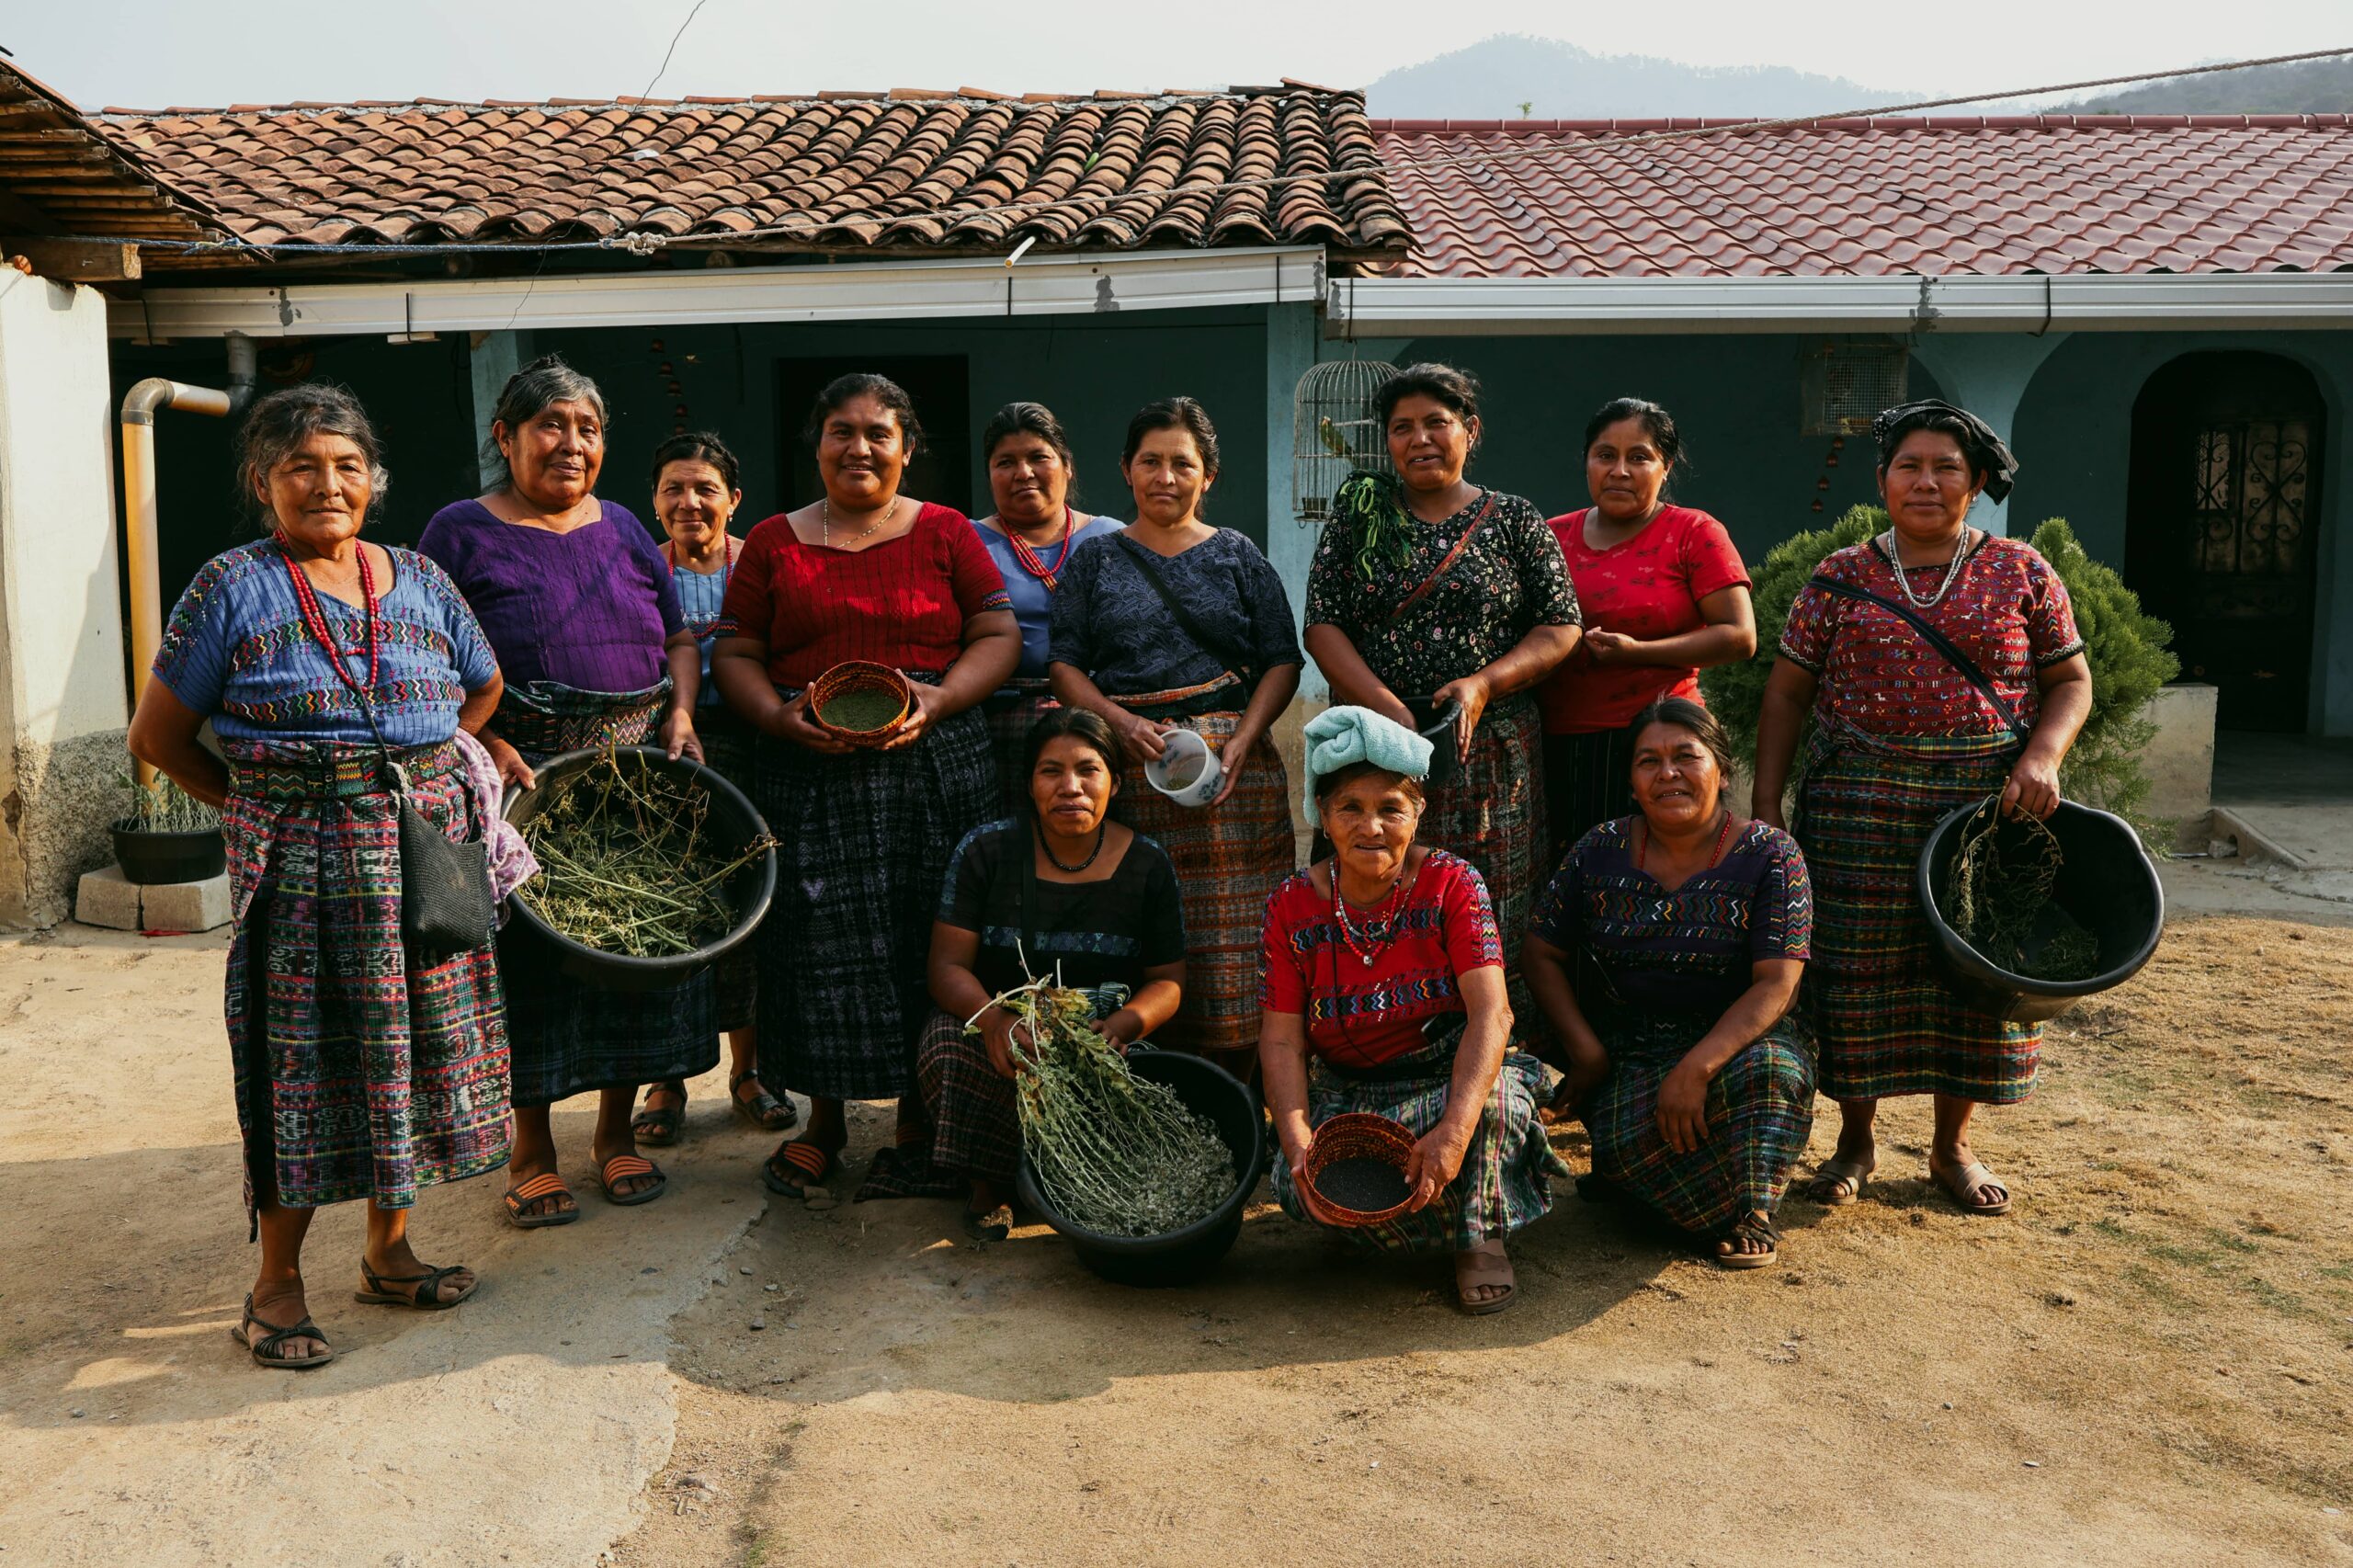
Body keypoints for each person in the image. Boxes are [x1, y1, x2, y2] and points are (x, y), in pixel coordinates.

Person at [129, 384, 509, 1368]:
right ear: (265, 483)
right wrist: (267, 800)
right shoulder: (229, 586)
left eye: (345, 464)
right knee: (302, 1063)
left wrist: (421, 773)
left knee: (408, 1055)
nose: (326, 483)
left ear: (373, 480)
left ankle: (390, 1250)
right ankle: (275, 1286)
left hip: (419, 859)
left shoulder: (420, 575)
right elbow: (159, 737)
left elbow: (483, 680)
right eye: (301, 466)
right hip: (301, 866)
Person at [1752, 399, 2093, 1218]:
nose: (1927, 482)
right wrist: (1766, 805)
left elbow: (2070, 681)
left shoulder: (2022, 571)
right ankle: (1855, 1142)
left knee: (1971, 976)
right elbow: (1787, 695)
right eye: (1910, 466)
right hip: (1856, 811)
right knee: (1855, 976)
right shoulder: (1840, 576)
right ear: (1882, 481)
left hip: (1984, 813)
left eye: (1947, 468)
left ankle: (1951, 1146)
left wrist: (2042, 755)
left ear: (1976, 484)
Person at [419, 355, 711, 1226]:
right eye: (550, 424)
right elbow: (431, 661)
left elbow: (680, 638)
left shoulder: (623, 525)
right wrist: (490, 738)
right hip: (523, 783)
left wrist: (682, 716)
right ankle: (531, 1148)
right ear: (505, 437)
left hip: (633, 777)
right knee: (533, 962)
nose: (571, 444)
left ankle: (614, 1135)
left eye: (587, 428)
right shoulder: (458, 532)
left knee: (629, 945)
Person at [713, 372, 1021, 1195]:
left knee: (931, 933)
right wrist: (781, 721)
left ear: (907, 449)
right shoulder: (775, 542)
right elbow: (737, 654)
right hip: (809, 769)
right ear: (816, 446)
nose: (859, 447)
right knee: (816, 945)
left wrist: (943, 696)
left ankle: (921, 1117)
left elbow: (997, 631)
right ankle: (824, 1121)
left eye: (878, 433)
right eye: (841, 432)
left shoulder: (948, 532)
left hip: (934, 765)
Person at [1259, 707, 1563, 1314]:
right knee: (1293, 1186)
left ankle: (1475, 1237)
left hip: (1444, 1079)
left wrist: (1451, 1132)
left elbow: (1492, 1016)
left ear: (1418, 813)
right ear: (1323, 816)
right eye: (1350, 807)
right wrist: (1296, 1139)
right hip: (1351, 1094)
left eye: (1391, 808)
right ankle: (1395, 1221)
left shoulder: (1454, 883)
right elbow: (1283, 1040)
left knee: (1494, 1108)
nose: (1370, 827)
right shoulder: (1291, 905)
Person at [1303, 363, 1580, 1021]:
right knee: (1377, 881)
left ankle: (1492, 1051)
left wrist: (1485, 683)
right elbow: (1321, 625)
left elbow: (1561, 625)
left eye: (1437, 422)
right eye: (1403, 428)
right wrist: (1381, 703)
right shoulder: (1360, 518)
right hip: (1376, 752)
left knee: (1489, 900)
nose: (1420, 438)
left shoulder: (1513, 520)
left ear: (1470, 430)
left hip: (1490, 752)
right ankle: (1377, 1035)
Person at [858, 708, 1188, 1238]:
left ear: (1116, 783)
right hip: (1006, 1036)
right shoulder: (986, 852)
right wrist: (994, 1022)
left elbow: (1168, 981)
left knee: (1148, 1092)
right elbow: (946, 968)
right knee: (946, 1042)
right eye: (1050, 771)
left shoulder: (1147, 864)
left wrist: (1124, 1026)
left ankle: (1065, 1175)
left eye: (1088, 770)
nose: (1070, 787)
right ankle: (989, 1180)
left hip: (1103, 1040)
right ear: (1030, 785)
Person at [1049, 397, 1304, 1077]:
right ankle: (1164, 1071)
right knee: (1152, 917)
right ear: (1127, 472)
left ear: (1209, 475)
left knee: (1243, 929)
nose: (1165, 476)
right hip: (1133, 766)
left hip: (1233, 773)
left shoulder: (1238, 554)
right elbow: (1064, 663)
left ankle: (1252, 1081)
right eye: (1150, 462)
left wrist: (1245, 739)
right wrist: (1123, 724)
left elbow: (1283, 657)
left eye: (1182, 464)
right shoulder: (1095, 560)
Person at [1522, 699, 1815, 1269]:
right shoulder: (1599, 849)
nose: (1668, 773)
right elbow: (1540, 952)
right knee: (1628, 1146)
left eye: (1687, 756)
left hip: (1737, 1050)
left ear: (1721, 769)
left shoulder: (1771, 855)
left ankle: (1750, 1210)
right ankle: (1657, 1188)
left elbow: (1778, 983)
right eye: (1648, 762)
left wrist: (1697, 1068)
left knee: (1775, 1075)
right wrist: (1586, 1053)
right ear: (1632, 782)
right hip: (1628, 1051)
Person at [631, 433, 796, 1146]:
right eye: (673, 488)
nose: (688, 502)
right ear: (655, 500)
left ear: (734, 499)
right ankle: (665, 1079)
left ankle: (750, 1073)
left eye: (705, 488)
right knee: (668, 911)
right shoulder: (638, 567)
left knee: (750, 911)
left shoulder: (762, 564)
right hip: (662, 759)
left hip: (754, 752)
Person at [1540, 400, 1756, 855]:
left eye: (1639, 457)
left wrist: (1637, 652)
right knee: (1576, 881)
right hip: (1560, 743)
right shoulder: (1550, 536)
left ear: (1665, 467)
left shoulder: (1694, 532)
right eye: (1605, 456)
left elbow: (1739, 636)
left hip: (1663, 744)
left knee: (1664, 871)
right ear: (1586, 462)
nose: (1619, 470)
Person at [970, 402, 1122, 813]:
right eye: (1006, 462)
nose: (1024, 473)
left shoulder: (1114, 539)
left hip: (1104, 722)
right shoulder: (966, 543)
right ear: (990, 473)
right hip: (1002, 724)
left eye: (1039, 457)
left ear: (1067, 465)